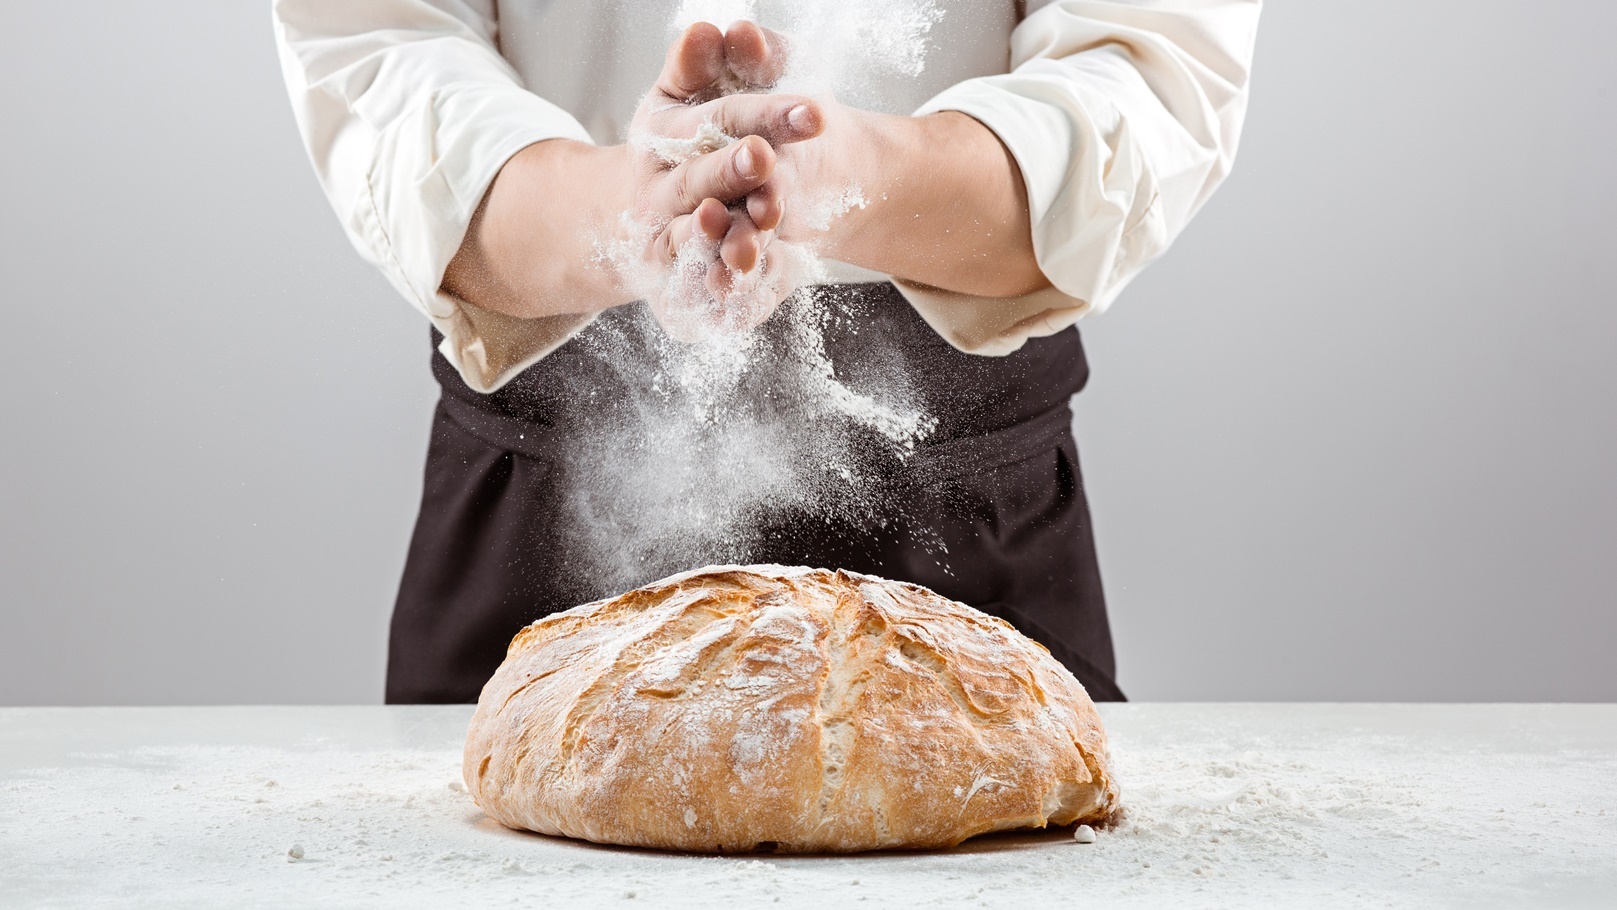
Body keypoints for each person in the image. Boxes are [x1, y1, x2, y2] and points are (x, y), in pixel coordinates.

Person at [272, 0, 1261, 704]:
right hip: (541, 476)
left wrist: (849, 176)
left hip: (959, 503)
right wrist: (626, 214)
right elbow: (380, 42)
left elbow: (1149, 65)